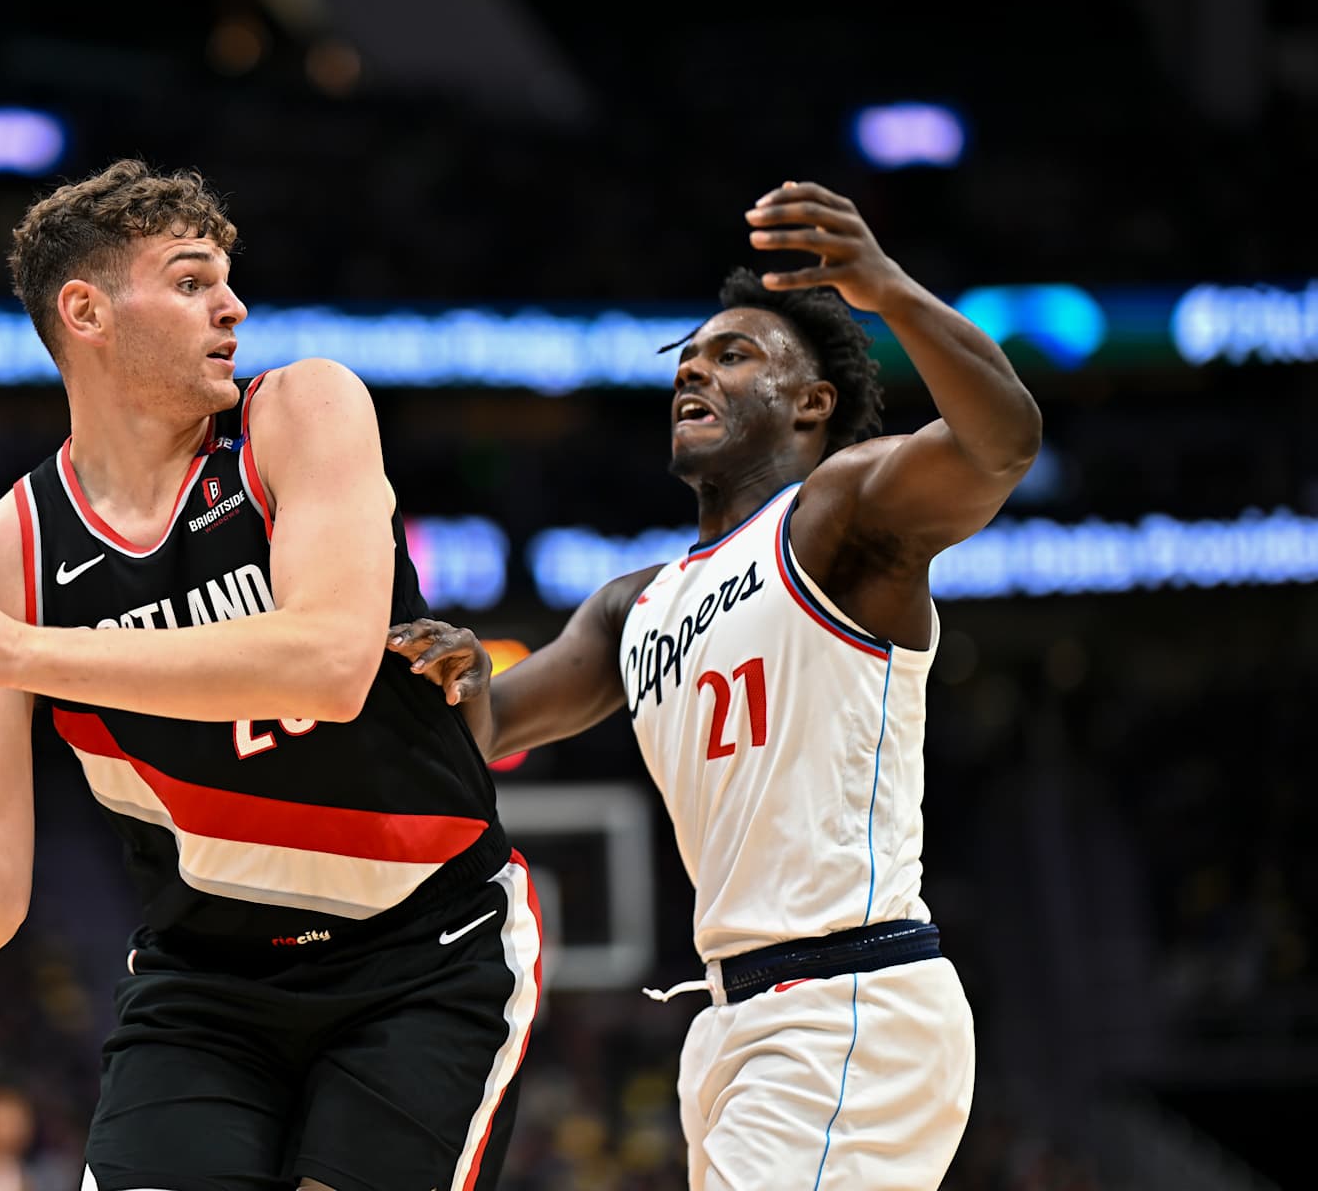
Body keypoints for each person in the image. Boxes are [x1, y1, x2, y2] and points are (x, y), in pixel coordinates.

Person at [0, 158, 540, 1191]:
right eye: (191, 282)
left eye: (227, 281)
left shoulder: (303, 412)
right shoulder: (5, 556)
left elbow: (327, 665)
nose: (233, 307)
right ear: (86, 311)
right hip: (207, 984)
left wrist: (16, 649)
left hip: (422, 950)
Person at [389, 180, 1042, 1190]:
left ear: (811, 403)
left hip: (845, 992)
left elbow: (1004, 443)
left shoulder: (836, 516)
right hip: (735, 1016)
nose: (693, 367)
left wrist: (890, 292)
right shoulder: (634, 605)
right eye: (688, 357)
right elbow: (487, 730)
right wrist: (463, 670)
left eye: (733, 354)